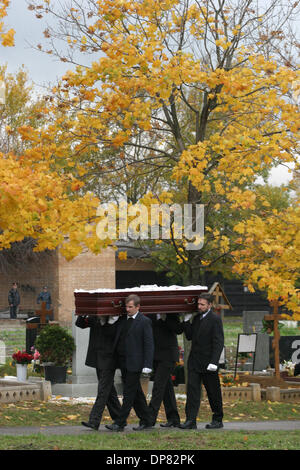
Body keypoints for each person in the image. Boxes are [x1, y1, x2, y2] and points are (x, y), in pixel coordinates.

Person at [105, 294, 154, 432]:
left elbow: (149, 344)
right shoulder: (122, 320)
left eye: (130, 307)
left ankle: (120, 423)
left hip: (135, 363)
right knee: (136, 392)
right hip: (123, 362)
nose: (127, 309)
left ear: (138, 307)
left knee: (129, 394)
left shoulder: (144, 321)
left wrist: (147, 364)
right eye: (126, 306)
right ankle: (147, 419)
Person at [180, 294, 224, 430]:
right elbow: (189, 336)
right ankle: (190, 420)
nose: (199, 307)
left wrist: (214, 362)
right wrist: (187, 321)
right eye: (198, 304)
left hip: (208, 362)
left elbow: (218, 342)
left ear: (210, 305)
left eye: (202, 305)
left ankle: (217, 419)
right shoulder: (197, 318)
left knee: (213, 391)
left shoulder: (215, 319)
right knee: (192, 391)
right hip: (194, 361)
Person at [75, 314, 122, 430]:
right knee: (108, 390)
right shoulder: (95, 317)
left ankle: (94, 420)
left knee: (103, 389)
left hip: (109, 359)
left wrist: (108, 320)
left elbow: (110, 333)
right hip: (97, 358)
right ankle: (120, 419)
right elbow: (79, 324)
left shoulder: (115, 320)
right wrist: (83, 312)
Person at [147, 313, 181, 428]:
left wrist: (165, 318)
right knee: (167, 388)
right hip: (156, 355)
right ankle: (173, 418)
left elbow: (178, 330)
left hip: (168, 355)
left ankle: (149, 419)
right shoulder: (150, 316)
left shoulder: (171, 316)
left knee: (158, 386)